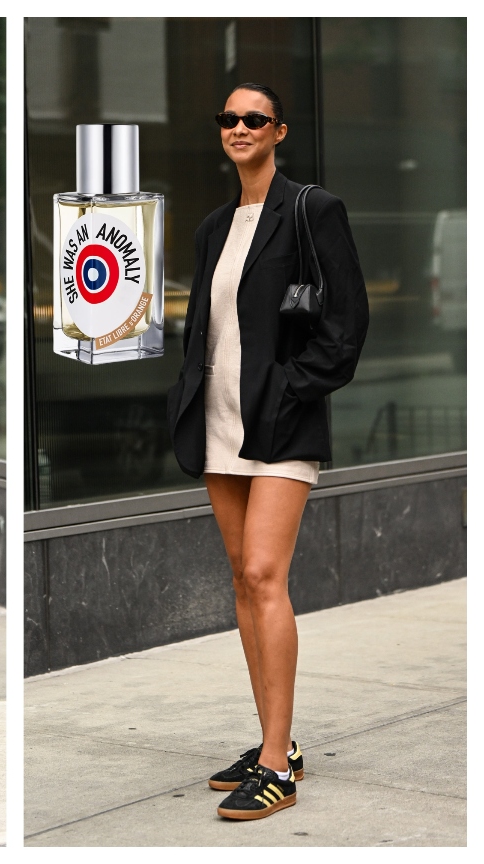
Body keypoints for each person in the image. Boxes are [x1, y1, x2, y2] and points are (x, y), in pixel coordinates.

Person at [167, 82, 369, 821]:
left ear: (278, 130)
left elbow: (345, 328)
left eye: (254, 119)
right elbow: (207, 331)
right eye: (229, 118)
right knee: (242, 583)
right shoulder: (216, 226)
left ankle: (279, 765)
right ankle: (271, 742)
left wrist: (290, 392)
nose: (240, 127)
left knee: (264, 571)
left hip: (282, 427)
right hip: (221, 426)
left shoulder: (314, 209)